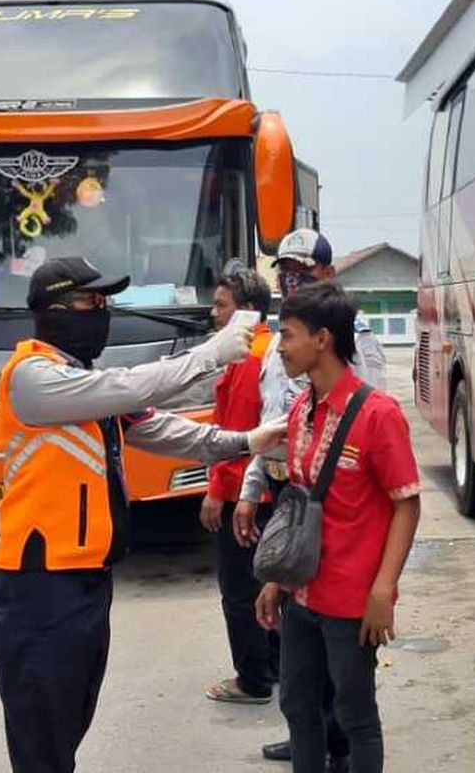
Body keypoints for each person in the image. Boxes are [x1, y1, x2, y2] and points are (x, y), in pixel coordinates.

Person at [0, 257, 286, 773]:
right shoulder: (32, 379)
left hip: (85, 580)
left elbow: (163, 429)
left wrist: (246, 441)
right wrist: (210, 354)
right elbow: (132, 387)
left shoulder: (83, 381)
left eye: (105, 303)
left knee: (68, 723)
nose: (101, 313)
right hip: (38, 586)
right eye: (89, 303)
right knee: (42, 738)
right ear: (52, 310)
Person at [248, 281, 422, 773]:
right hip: (301, 597)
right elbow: (301, 504)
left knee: (354, 716)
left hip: (352, 601)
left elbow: (406, 506)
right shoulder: (301, 409)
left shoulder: (378, 414)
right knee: (298, 708)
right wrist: (276, 579)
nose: (279, 346)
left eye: (288, 334)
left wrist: (383, 590)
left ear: (322, 339)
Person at [233, 228, 386, 769]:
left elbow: (371, 437)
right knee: (299, 670)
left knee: (347, 683)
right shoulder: (285, 346)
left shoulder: (350, 339)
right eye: (283, 267)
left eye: (299, 267)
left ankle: (336, 743)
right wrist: (253, 490)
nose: (287, 275)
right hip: (294, 494)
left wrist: (382, 586)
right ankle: (312, 737)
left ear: (325, 272)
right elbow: (271, 422)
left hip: (342, 503)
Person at [200, 269, 280, 705]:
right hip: (272, 490)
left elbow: (236, 434)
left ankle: (252, 680)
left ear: (246, 311)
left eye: (221, 306)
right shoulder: (273, 349)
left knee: (239, 590)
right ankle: (274, 665)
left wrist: (217, 490)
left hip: (246, 494)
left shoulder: (247, 358)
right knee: (270, 581)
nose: (214, 315)